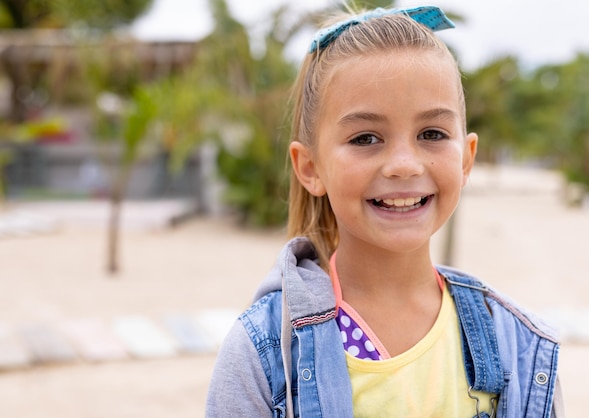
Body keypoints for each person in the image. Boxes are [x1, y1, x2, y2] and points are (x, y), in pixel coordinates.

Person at [206, 5, 563, 417]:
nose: (404, 164)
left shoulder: (517, 348)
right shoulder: (264, 352)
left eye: (432, 133)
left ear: (466, 159)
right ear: (310, 167)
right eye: (365, 138)